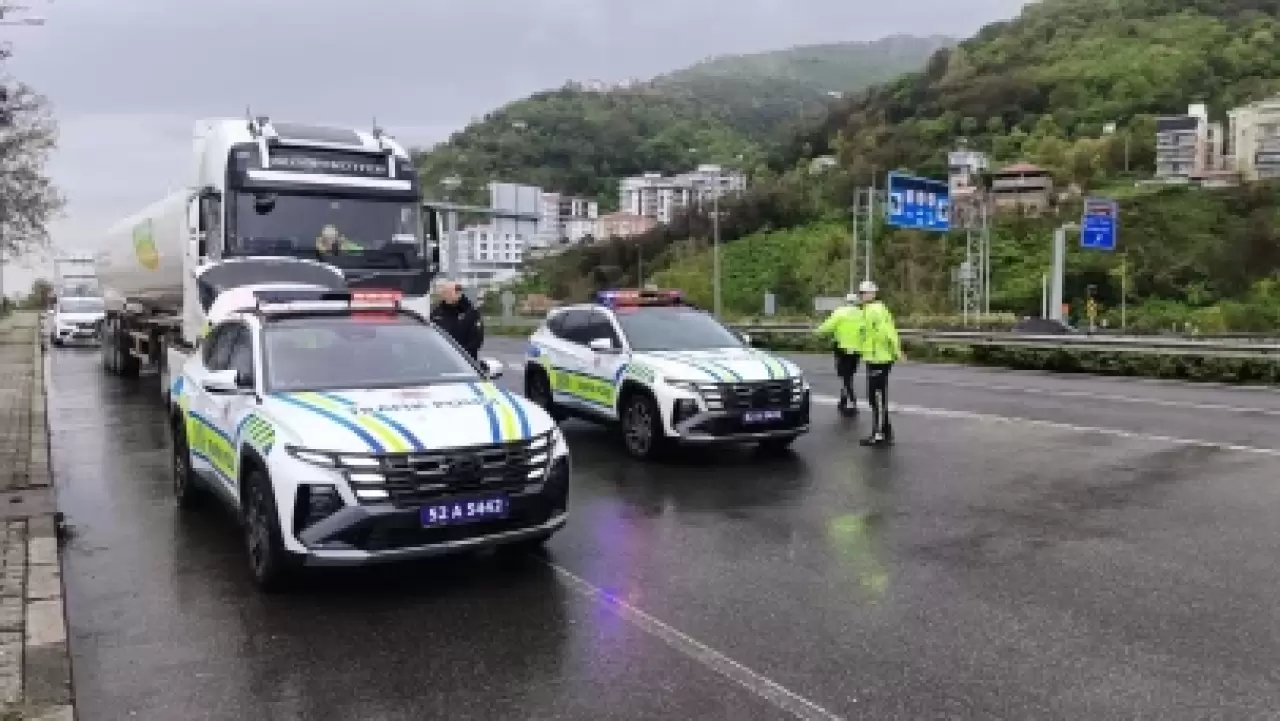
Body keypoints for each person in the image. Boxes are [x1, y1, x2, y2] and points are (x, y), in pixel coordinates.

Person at [856, 280, 902, 447]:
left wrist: (896, 351)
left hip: (879, 359)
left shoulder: (874, 310)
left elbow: (887, 332)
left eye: (864, 293)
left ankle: (879, 434)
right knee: (877, 396)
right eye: (860, 293)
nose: (862, 295)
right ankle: (886, 431)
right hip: (875, 357)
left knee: (876, 397)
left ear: (872, 294)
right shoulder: (871, 309)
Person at [814, 292, 864, 416]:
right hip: (857, 349)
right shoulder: (862, 314)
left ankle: (851, 401)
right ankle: (843, 400)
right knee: (849, 375)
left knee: (844, 375)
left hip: (842, 348)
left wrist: (817, 331)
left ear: (846, 301)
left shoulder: (840, 312)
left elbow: (828, 326)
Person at [430, 280, 484, 358]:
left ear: (458, 293)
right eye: (444, 293)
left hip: (464, 359)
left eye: (448, 293)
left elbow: (476, 341)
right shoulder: (437, 313)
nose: (445, 296)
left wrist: (457, 353)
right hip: (441, 357)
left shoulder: (471, 313)